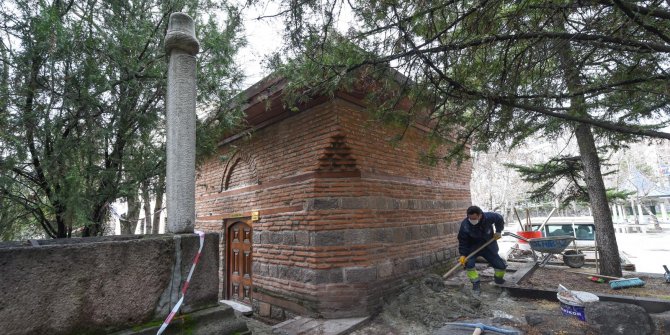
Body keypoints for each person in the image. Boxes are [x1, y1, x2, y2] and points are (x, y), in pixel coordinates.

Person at [457, 205, 507, 295]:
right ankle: (476, 284)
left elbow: (499, 218)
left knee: (500, 266)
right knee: (469, 265)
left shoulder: (488, 217)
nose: (472, 220)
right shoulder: (465, 225)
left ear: (480, 215)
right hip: (472, 248)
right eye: (470, 218)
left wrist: (499, 231)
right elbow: (463, 241)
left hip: (488, 245)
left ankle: (498, 279)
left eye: (474, 218)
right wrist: (463, 254)